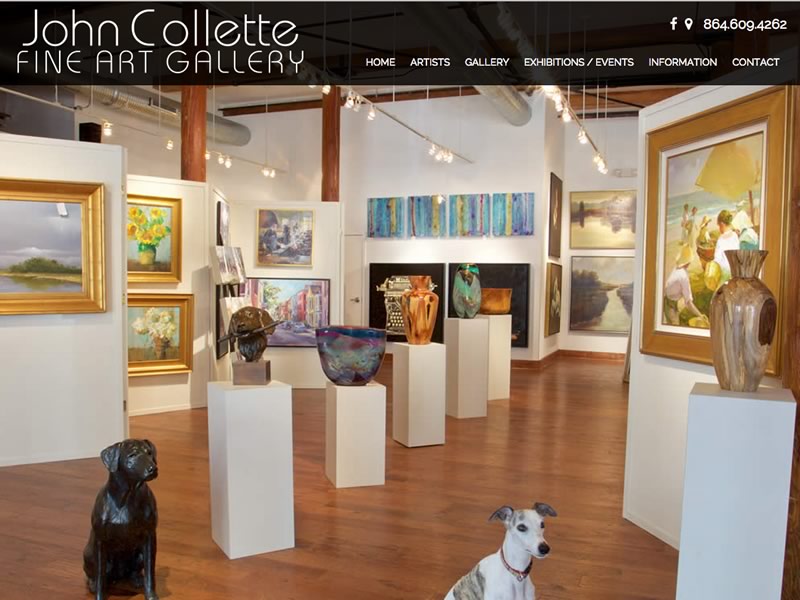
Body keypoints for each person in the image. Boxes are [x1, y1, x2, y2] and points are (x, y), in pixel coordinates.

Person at [663, 245, 707, 327]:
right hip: (671, 306)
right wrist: (700, 315)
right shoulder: (683, 276)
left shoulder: (677, 268)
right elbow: (688, 303)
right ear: (688, 262)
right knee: (674, 326)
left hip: (667, 301)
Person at [713, 209, 740, 279]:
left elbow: (717, 259)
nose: (719, 228)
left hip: (725, 273)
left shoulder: (721, 240)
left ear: (722, 224)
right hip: (735, 271)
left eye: (719, 226)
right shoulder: (735, 235)